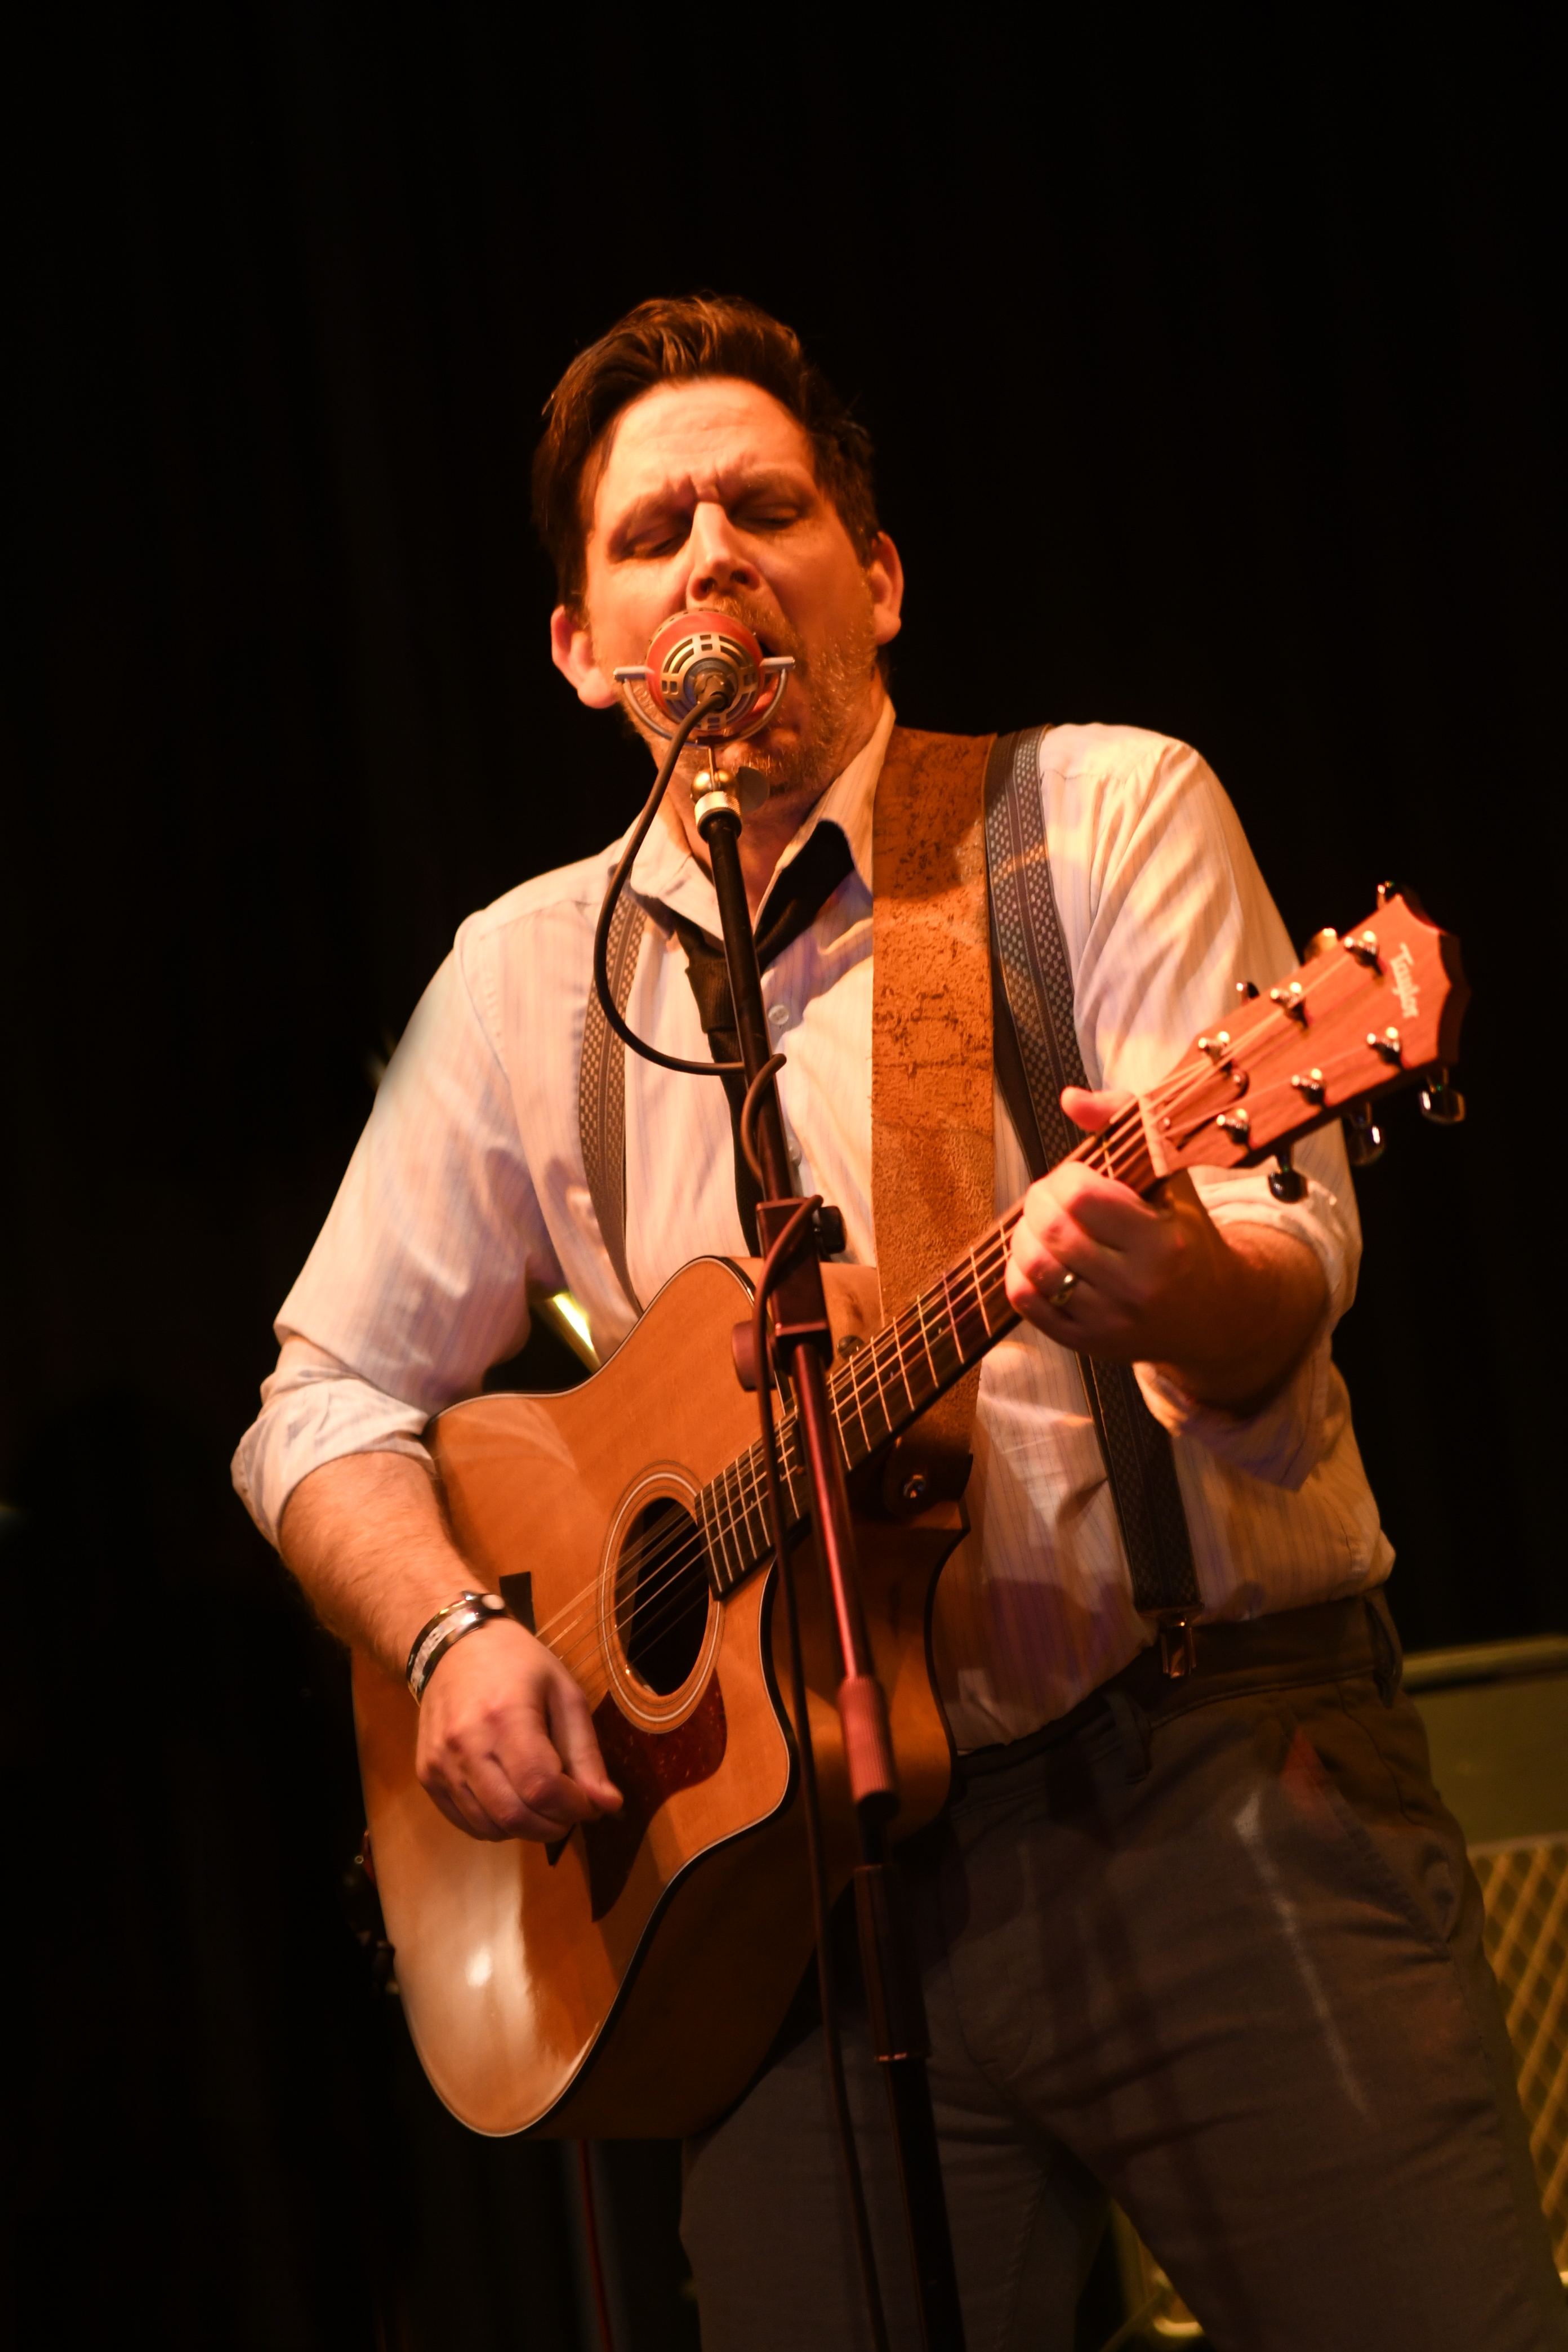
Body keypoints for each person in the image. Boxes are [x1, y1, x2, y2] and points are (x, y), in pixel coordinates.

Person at [233, 295, 1563, 2351]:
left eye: (766, 509)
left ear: (878, 579)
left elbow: (1274, 1260)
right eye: (653, 532)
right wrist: (451, 1631)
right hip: (788, 1921)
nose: (713, 556)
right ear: (583, 648)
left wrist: (1177, 1288)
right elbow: (317, 1402)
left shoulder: (1096, 813)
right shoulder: (514, 982)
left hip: (1206, 1786)